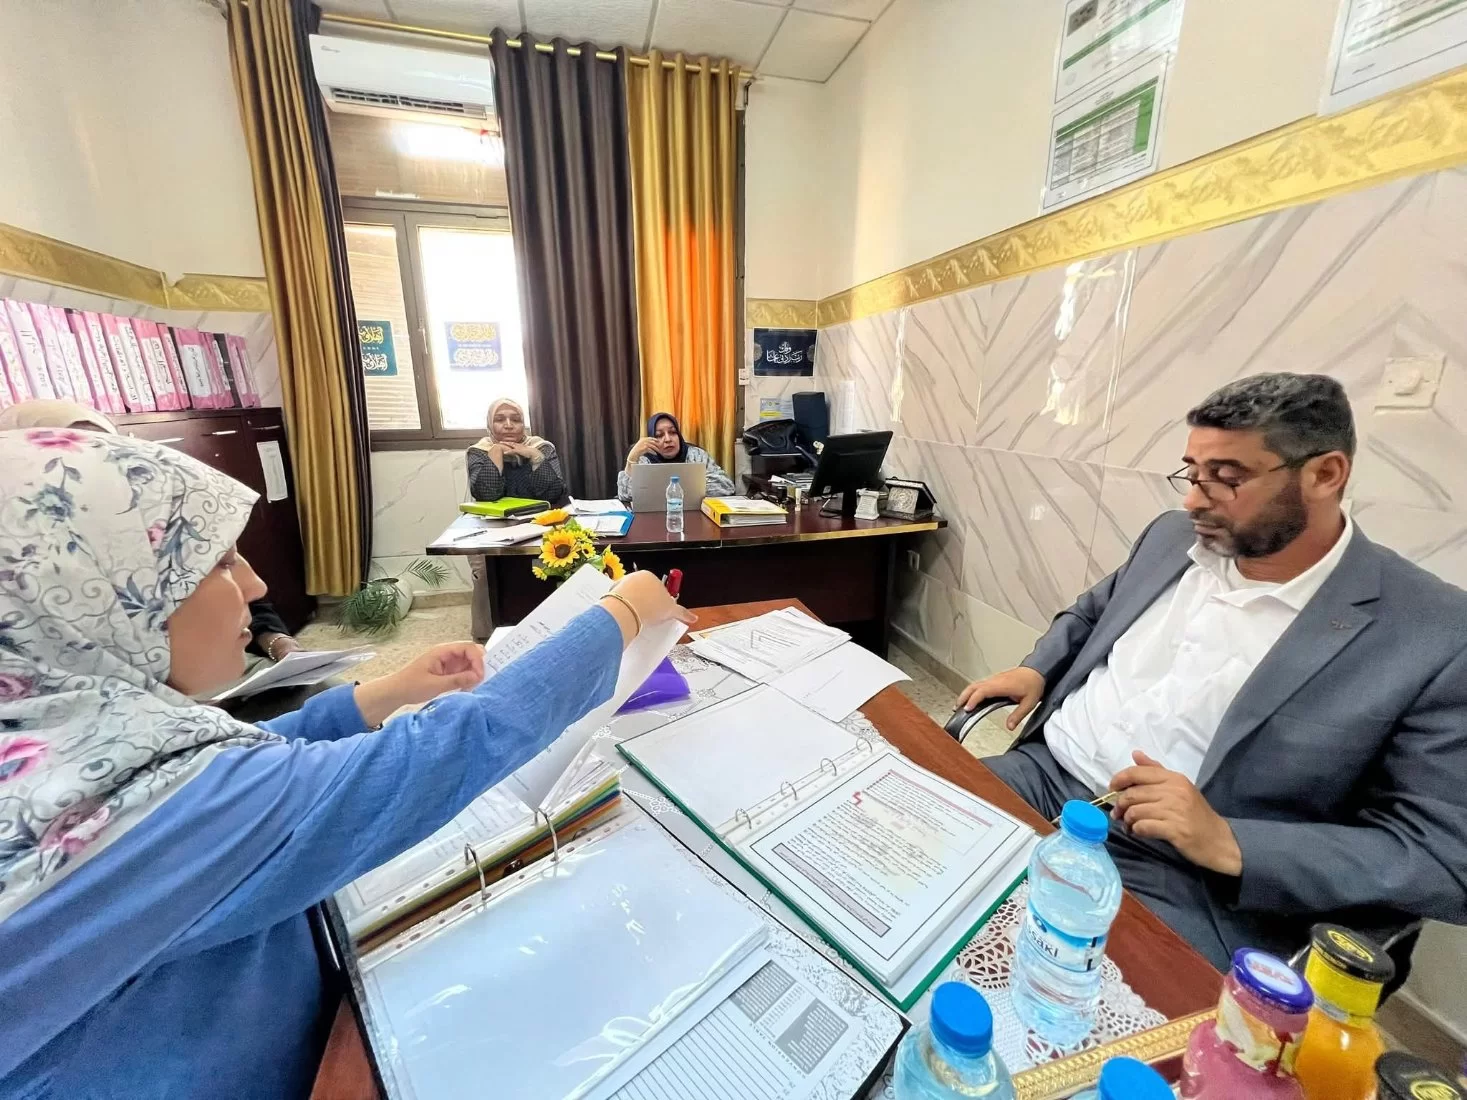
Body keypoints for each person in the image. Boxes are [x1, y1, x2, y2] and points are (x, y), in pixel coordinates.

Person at [0, 428, 694, 1097]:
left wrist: (380, 693)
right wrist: (619, 616)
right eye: (218, 562)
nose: (255, 585)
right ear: (100, 596)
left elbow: (234, 756)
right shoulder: (118, 820)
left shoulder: (61, 743)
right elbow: (441, 753)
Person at [956, 373, 1467, 973]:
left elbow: (1442, 858)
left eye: (1226, 478)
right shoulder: (1173, 537)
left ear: (1326, 475)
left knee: (1028, 984)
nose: (1194, 501)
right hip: (1043, 773)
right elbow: (1097, 608)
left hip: (1177, 869)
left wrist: (1228, 840)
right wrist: (1038, 669)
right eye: (1192, 473)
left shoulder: (1432, 632)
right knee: (890, 865)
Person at [0, 398, 304, 690]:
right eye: (76, 450)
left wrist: (277, 642)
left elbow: (246, 602)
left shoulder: (155, 521)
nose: (103, 463)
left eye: (111, 448)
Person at [466, 396, 567, 506]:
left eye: (516, 420)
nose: (509, 425)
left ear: (523, 424)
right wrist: (495, 454)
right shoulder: (479, 451)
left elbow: (553, 495)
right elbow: (485, 496)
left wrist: (535, 456)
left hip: (538, 514)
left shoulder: (541, 447)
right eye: (499, 420)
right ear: (490, 424)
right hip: (495, 516)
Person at [617, 411, 735, 502]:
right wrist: (631, 459)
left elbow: (726, 486)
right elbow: (625, 495)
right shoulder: (643, 459)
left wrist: (675, 487)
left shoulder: (697, 455)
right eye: (659, 435)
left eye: (673, 432)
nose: (668, 439)